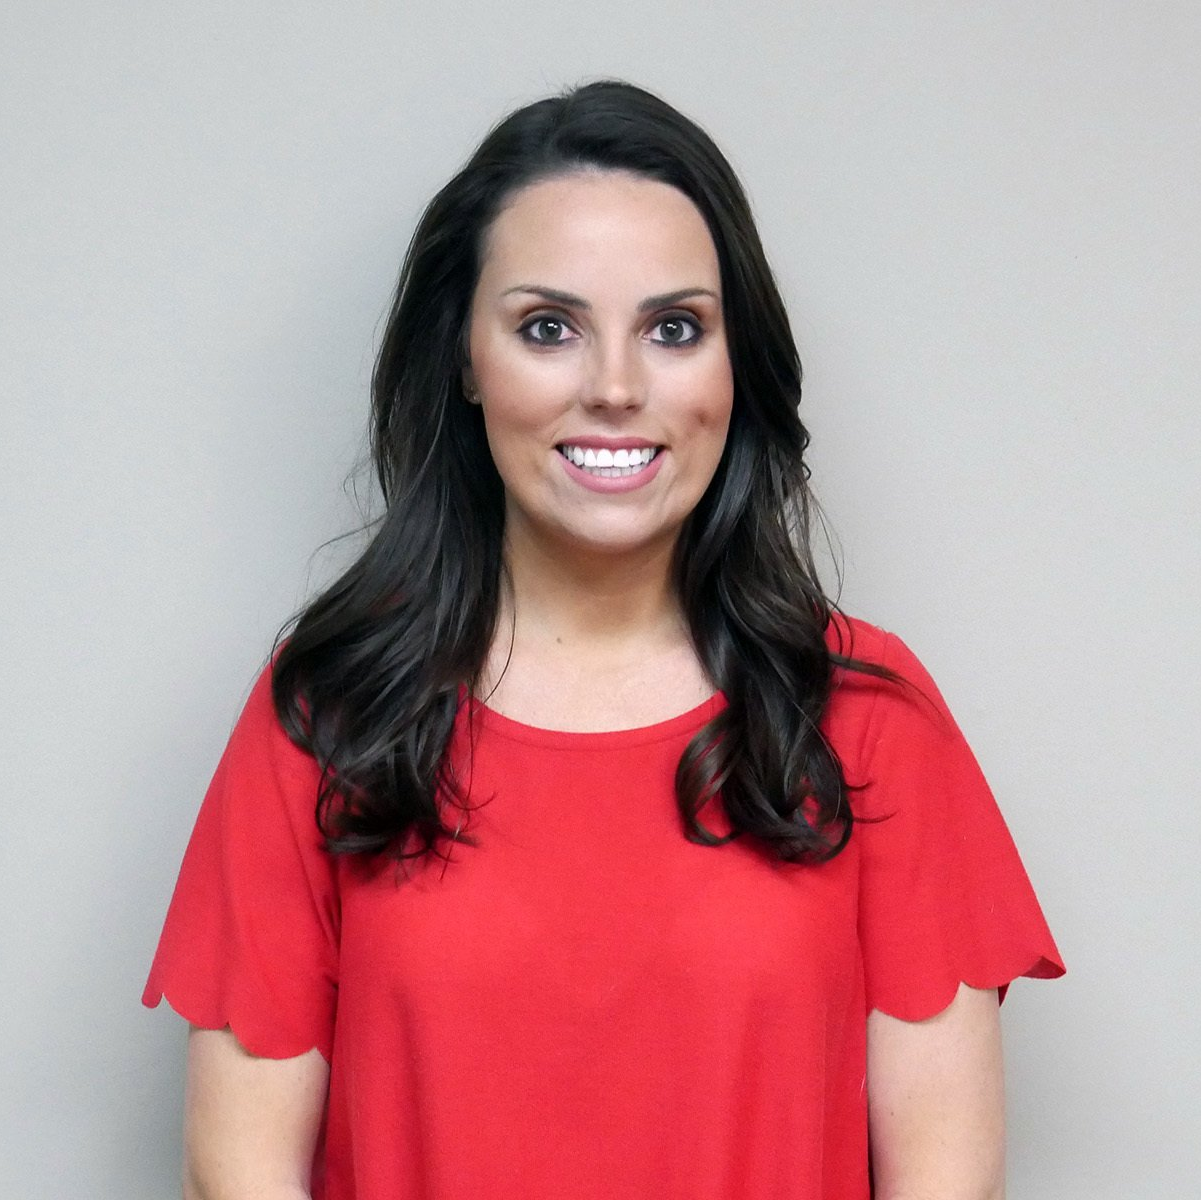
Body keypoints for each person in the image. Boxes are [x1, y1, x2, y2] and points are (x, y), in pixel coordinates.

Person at [144, 80, 1064, 1200]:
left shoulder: (865, 714)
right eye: (547, 329)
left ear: (737, 366)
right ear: (465, 366)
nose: (618, 388)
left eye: (674, 328)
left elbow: (945, 1183)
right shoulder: (329, 712)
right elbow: (235, 1174)